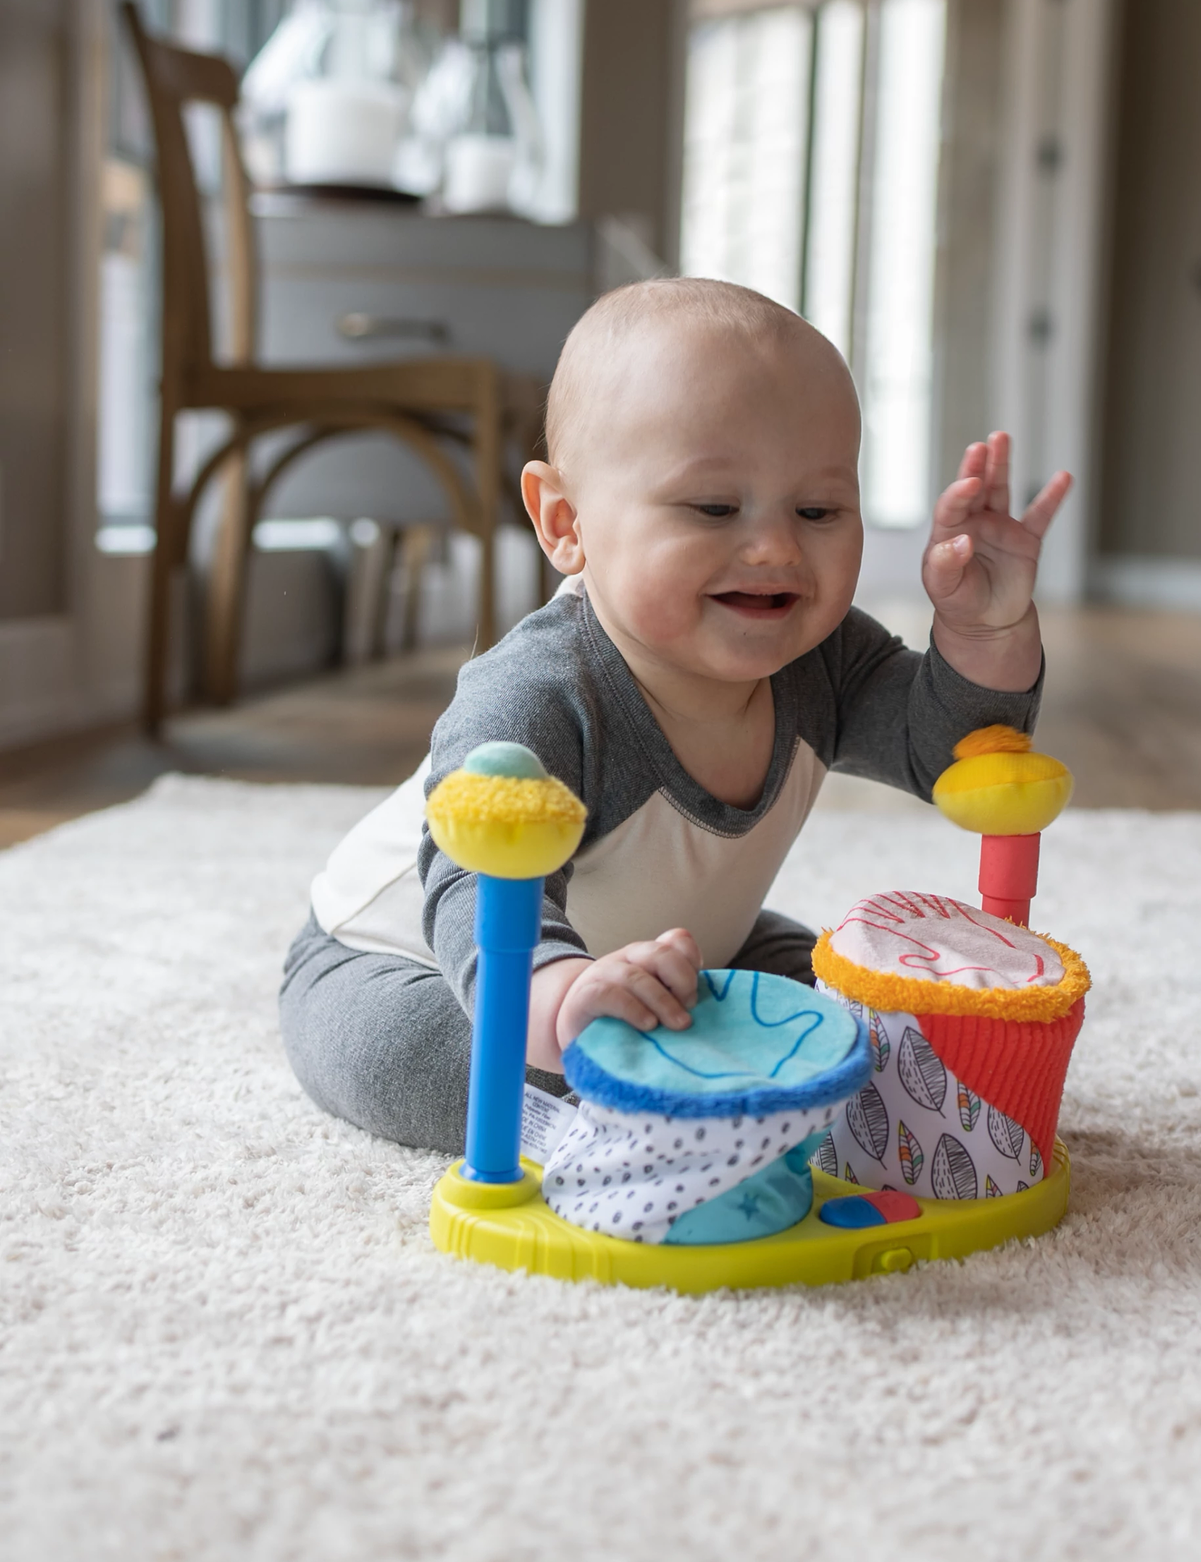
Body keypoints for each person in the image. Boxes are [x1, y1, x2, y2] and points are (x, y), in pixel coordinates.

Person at [278, 278, 1071, 1154]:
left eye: (818, 511)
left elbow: (948, 750)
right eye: (712, 507)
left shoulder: (820, 657)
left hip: (667, 948)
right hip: (420, 966)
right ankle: (604, 1117)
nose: (775, 548)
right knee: (462, 1061)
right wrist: (562, 998)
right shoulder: (539, 693)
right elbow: (472, 888)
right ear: (565, 521)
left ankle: (688, 1066)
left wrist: (982, 626)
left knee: (836, 1005)